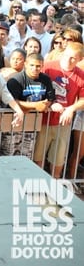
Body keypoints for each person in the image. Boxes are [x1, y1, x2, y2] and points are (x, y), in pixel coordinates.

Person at [37, 42, 84, 178]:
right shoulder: (48, 67)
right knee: (38, 157)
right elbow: (36, 88)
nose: (68, 59)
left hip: (63, 123)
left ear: (80, 59)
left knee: (58, 160)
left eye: (73, 58)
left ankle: (54, 183)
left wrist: (71, 109)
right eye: (67, 55)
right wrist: (50, 103)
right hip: (44, 120)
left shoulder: (81, 75)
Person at [5, 53, 56, 159]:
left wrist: (44, 105)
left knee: (27, 155)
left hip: (32, 124)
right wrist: (35, 105)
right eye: (32, 65)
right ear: (25, 64)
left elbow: (50, 98)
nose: (35, 69)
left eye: (38, 66)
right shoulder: (16, 80)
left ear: (42, 66)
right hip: (13, 123)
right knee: (8, 154)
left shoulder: (46, 79)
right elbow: (11, 101)